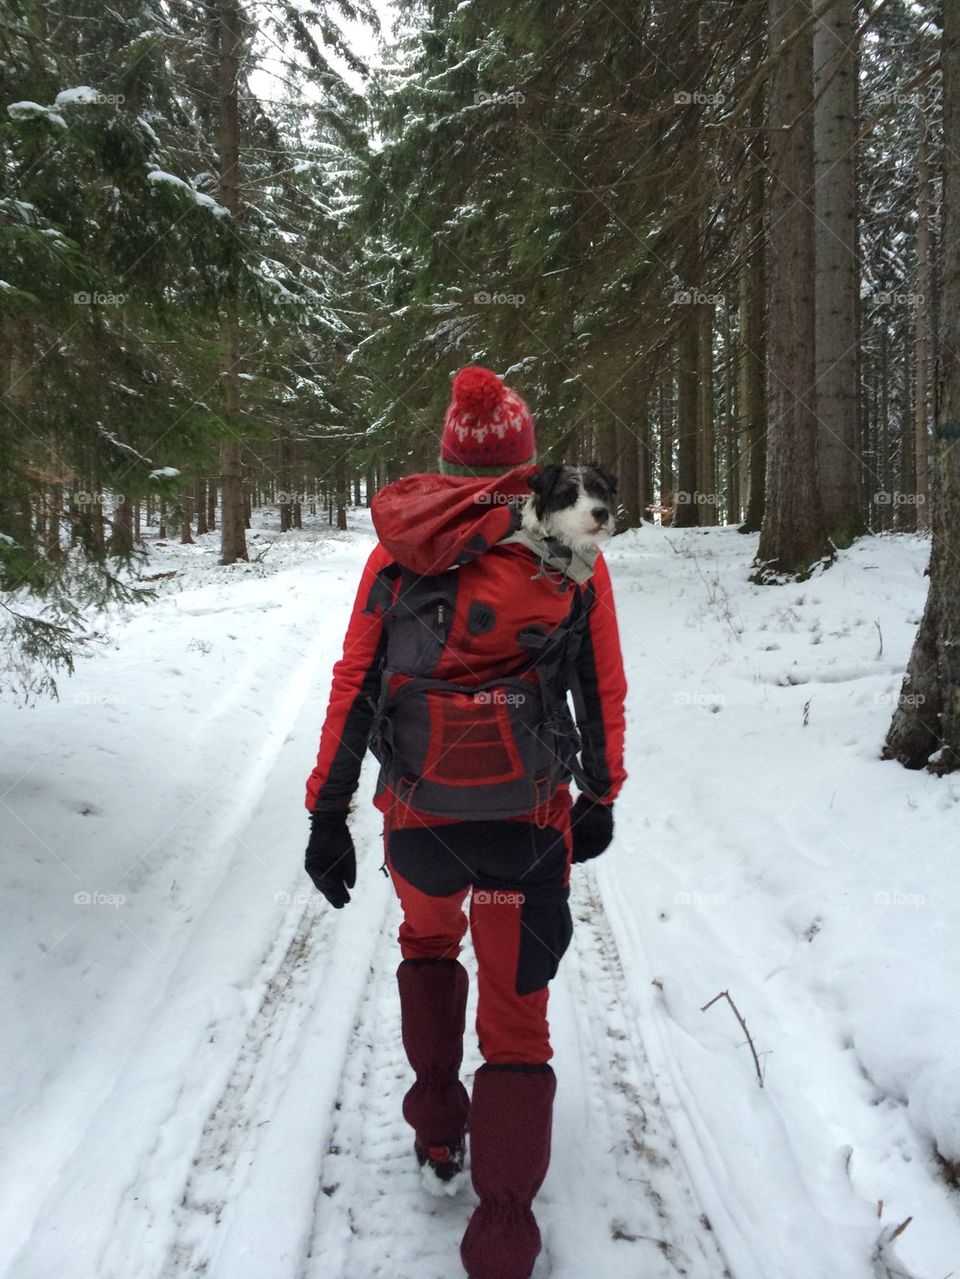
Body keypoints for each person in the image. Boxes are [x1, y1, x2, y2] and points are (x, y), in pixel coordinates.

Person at [304, 366, 627, 1279]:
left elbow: (355, 688)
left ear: (447, 461)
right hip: (526, 824)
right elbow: (599, 694)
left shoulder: (396, 552)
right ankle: (504, 1236)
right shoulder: (570, 561)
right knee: (519, 1023)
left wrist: (328, 813)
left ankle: (441, 1127)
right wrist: (602, 793)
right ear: (527, 464)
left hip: (421, 824)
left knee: (428, 947)